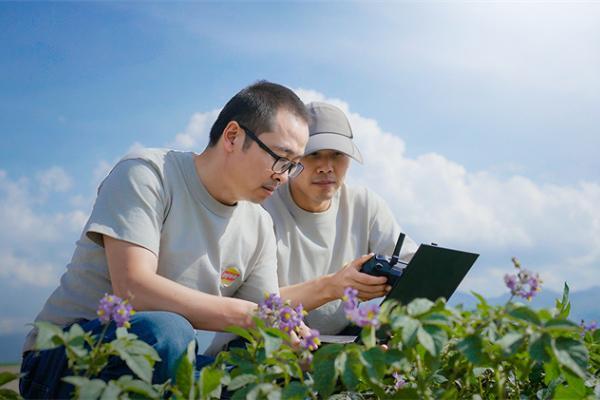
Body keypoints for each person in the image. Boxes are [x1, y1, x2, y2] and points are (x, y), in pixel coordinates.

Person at [19, 81, 310, 398]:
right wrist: (248, 315)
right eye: (280, 158)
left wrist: (290, 337)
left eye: (293, 165)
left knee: (264, 367)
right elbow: (134, 289)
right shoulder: (147, 173)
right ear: (232, 136)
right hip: (69, 357)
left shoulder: (259, 225)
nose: (283, 175)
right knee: (167, 331)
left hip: (164, 362)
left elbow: (263, 319)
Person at [262, 102, 418, 335]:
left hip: (338, 348)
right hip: (262, 348)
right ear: (292, 157)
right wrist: (331, 287)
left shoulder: (364, 204)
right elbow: (251, 306)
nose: (326, 167)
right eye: (313, 154)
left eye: (337, 154)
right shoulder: (262, 209)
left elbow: (415, 271)